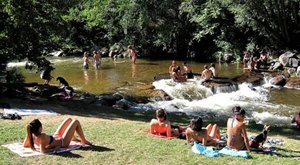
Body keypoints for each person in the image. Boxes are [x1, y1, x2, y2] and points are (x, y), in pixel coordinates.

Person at [23, 118, 92, 153]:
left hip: (55, 137)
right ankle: (83, 140)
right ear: (40, 128)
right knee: (76, 121)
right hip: (63, 142)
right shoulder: (42, 137)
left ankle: (72, 138)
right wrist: (55, 148)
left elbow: (25, 145)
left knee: (69, 119)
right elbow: (43, 151)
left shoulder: (30, 135)